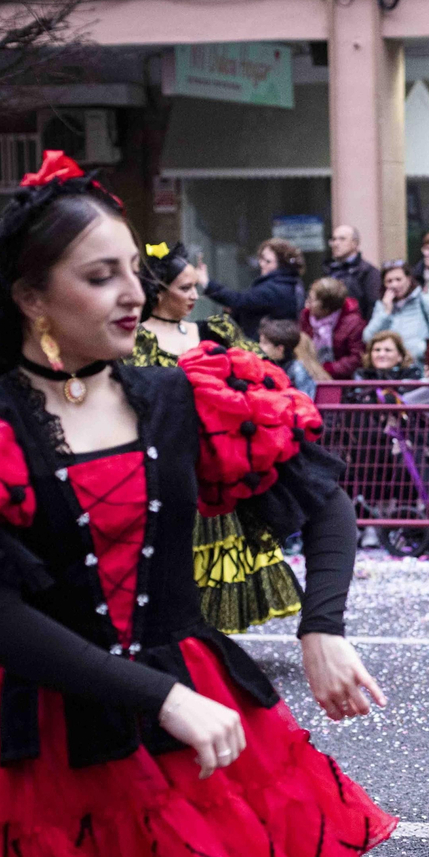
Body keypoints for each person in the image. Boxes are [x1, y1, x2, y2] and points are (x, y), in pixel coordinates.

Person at [0, 152, 418, 857]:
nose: (135, 291)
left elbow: (322, 503)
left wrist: (322, 627)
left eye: (134, 267)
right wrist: (157, 698)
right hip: (60, 735)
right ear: (30, 298)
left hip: (203, 700)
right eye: (101, 275)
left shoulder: (182, 395)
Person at [128, 242, 303, 635]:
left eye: (195, 287)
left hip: (216, 465)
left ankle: (208, 641)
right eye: (184, 288)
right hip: (164, 464)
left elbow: (258, 380)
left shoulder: (214, 330)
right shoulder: (133, 341)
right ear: (158, 291)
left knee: (223, 551)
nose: (194, 296)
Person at [200, 237, 305, 340]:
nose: (261, 264)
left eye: (268, 261)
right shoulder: (288, 284)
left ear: (281, 265)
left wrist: (207, 283)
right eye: (261, 258)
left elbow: (240, 300)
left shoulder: (277, 288)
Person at [364, 261, 429, 375]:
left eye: (398, 279)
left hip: (420, 369)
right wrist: (386, 313)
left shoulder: (427, 301)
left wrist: (424, 353)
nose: (394, 285)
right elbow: (368, 338)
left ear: (409, 279)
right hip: (390, 373)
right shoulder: (382, 306)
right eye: (389, 281)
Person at [299, 274, 368, 380]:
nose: (307, 304)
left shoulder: (354, 323)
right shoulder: (305, 317)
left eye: (312, 300)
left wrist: (327, 369)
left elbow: (356, 358)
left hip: (341, 380)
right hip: (308, 374)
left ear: (326, 308)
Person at [325, 223, 383, 309]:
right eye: (333, 239)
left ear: (355, 243)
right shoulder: (330, 270)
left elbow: (373, 307)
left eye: (342, 239)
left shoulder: (368, 272)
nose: (336, 244)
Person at [259, 316, 320, 398]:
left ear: (279, 349)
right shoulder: (264, 366)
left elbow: (305, 401)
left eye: (265, 343)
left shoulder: (297, 371)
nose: (259, 346)